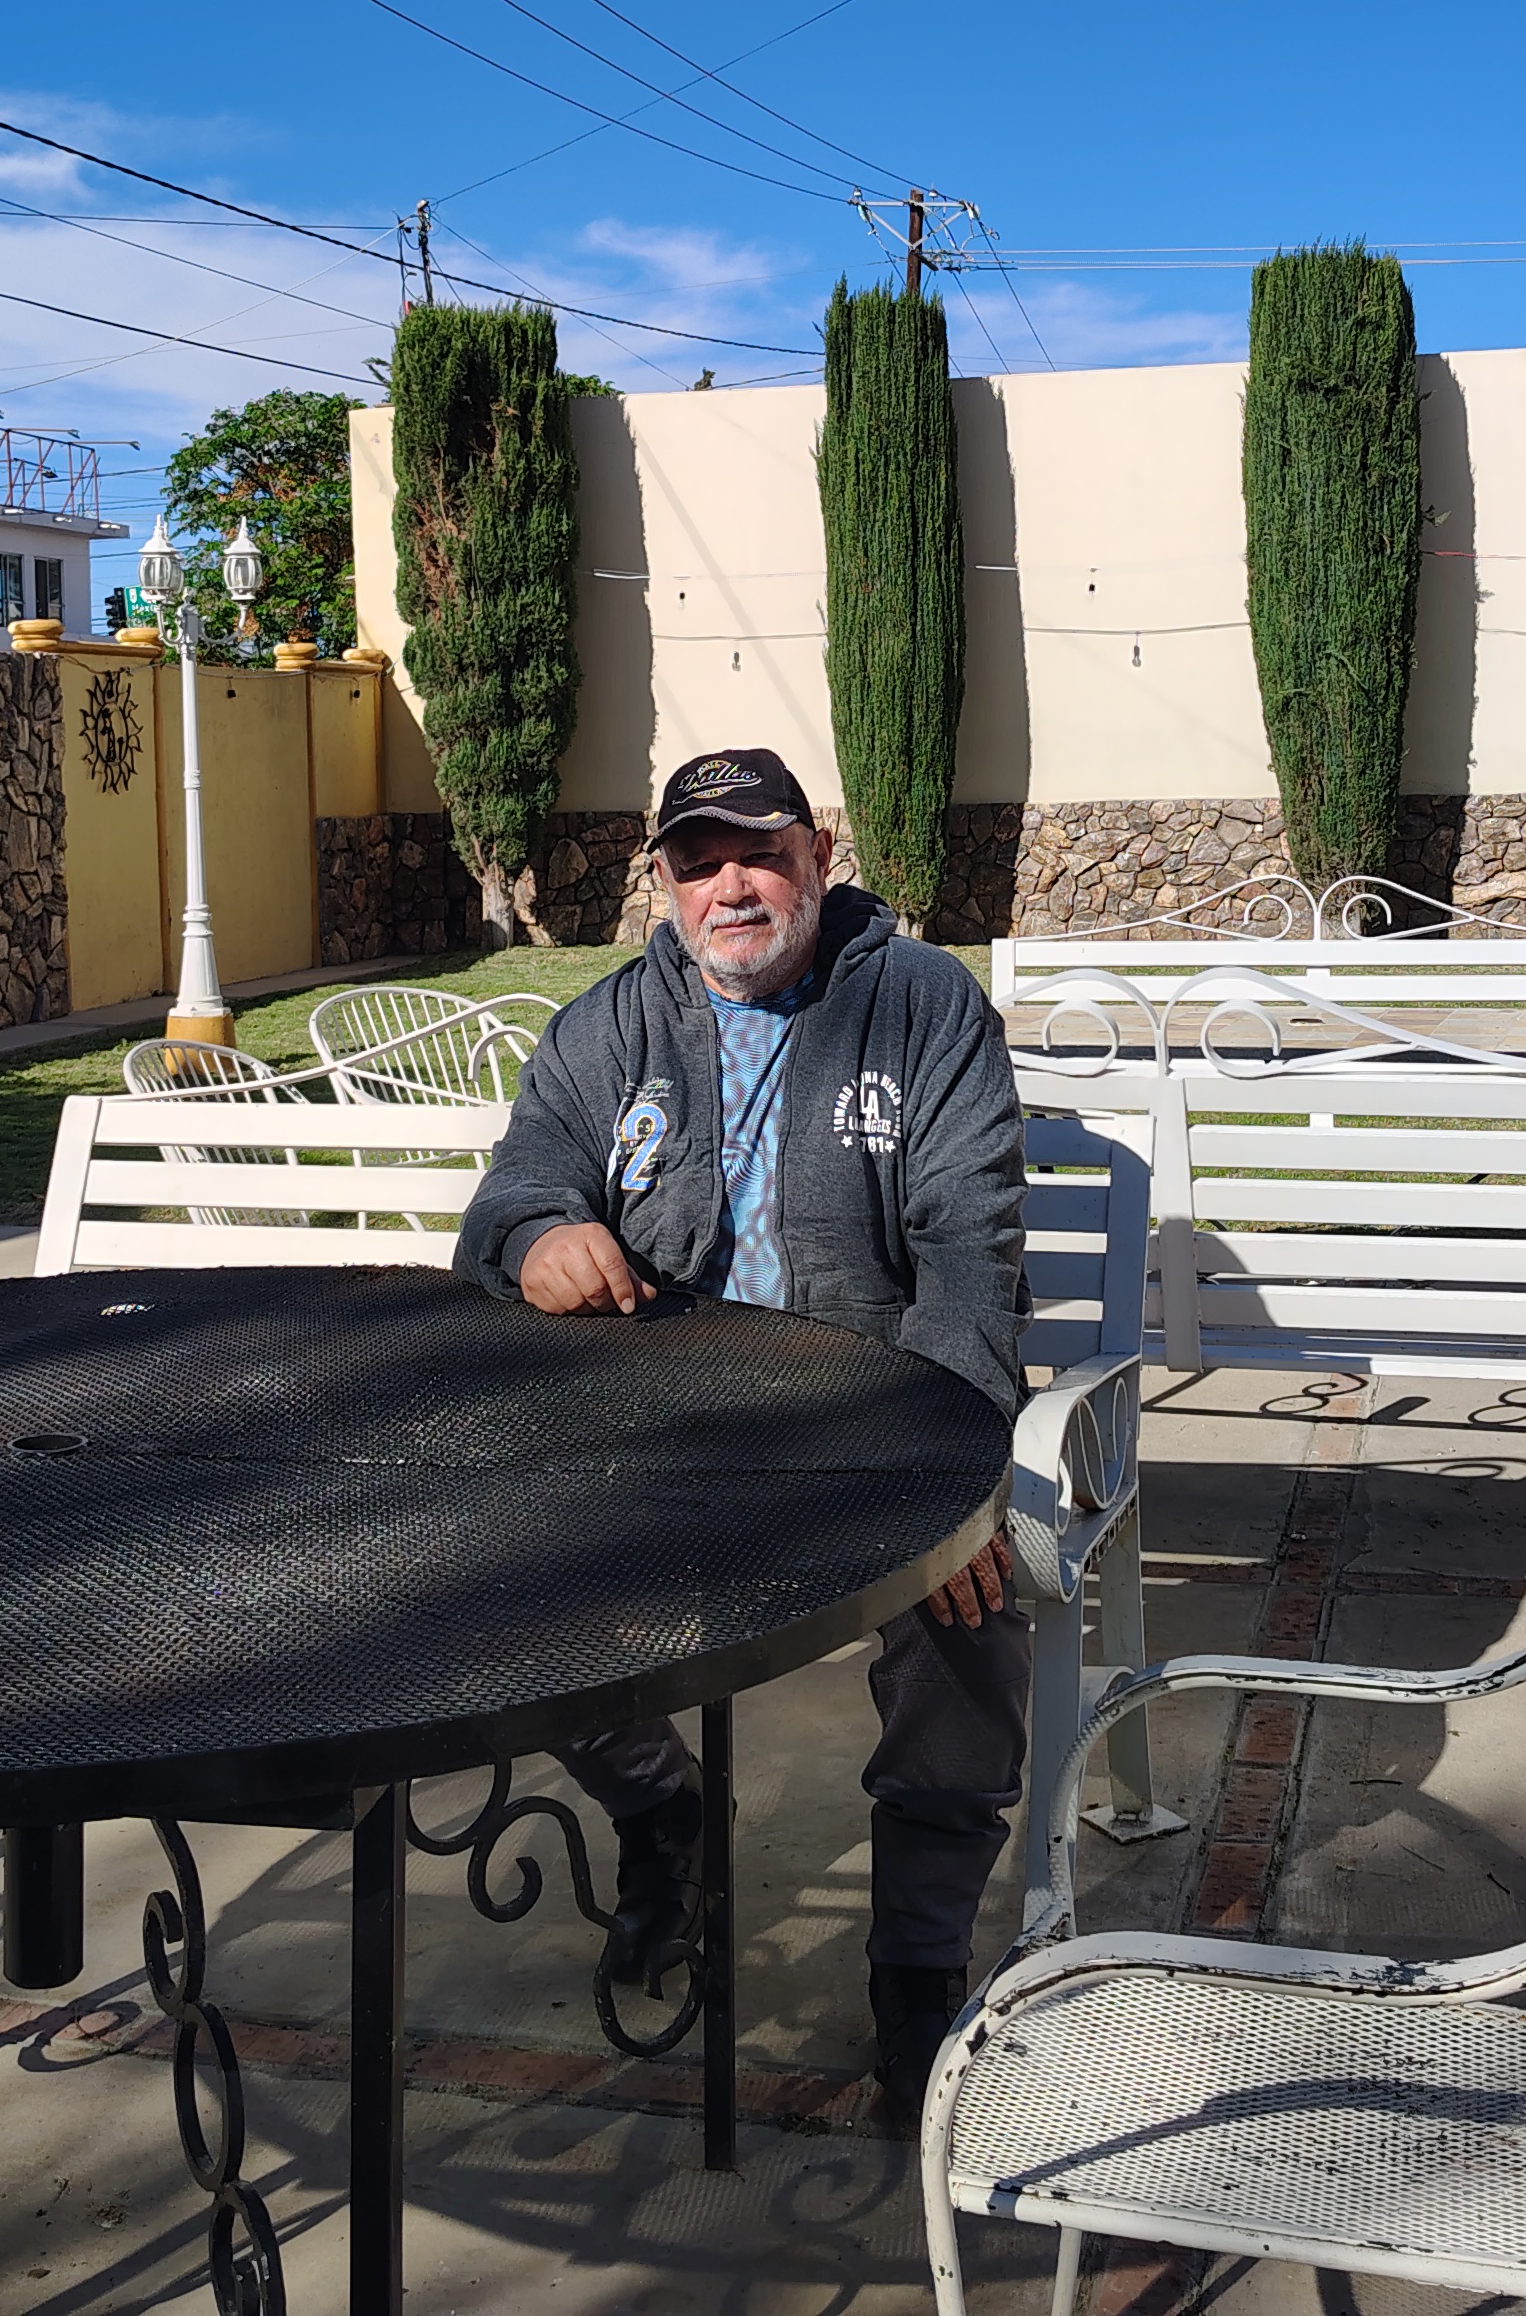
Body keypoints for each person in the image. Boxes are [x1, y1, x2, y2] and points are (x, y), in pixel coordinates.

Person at [456, 745, 1029, 2135]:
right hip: (667, 1428)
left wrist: (942, 1478)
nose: (732, 887)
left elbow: (972, 1258)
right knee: (505, 1575)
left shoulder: (923, 1006)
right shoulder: (608, 1028)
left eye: (760, 854)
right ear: (662, 882)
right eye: (698, 861)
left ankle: (916, 1976)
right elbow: (513, 1192)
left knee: (965, 1617)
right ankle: (663, 1820)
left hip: (875, 1425)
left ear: (818, 856)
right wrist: (539, 1239)